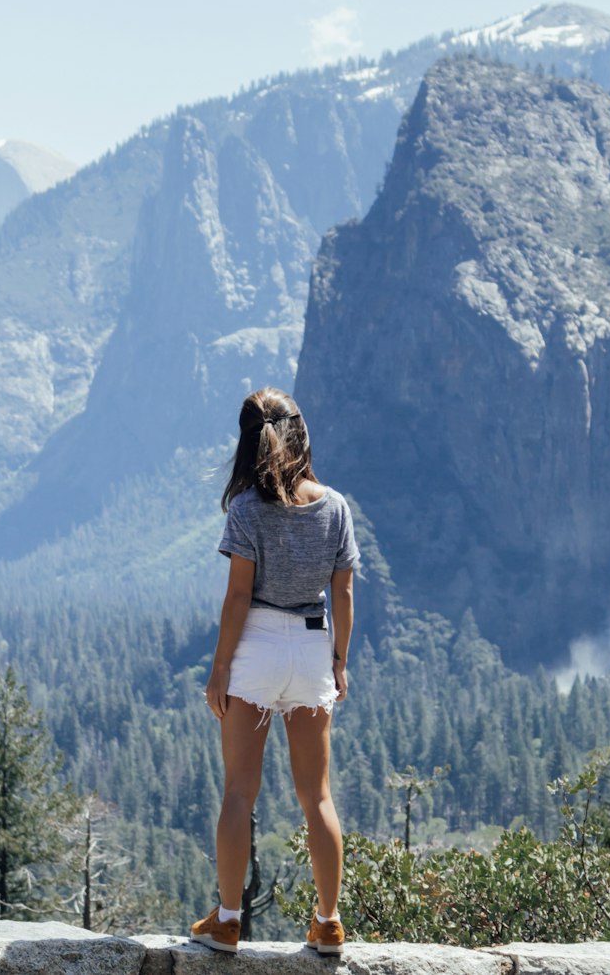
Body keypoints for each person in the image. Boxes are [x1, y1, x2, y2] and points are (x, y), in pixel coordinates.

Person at [190, 386, 357, 955]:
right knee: (318, 798)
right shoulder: (334, 507)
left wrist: (218, 671)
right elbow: (344, 592)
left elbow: (238, 597)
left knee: (240, 793)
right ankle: (329, 922)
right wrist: (338, 663)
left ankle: (228, 920)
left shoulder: (246, 510)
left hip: (256, 647)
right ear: (300, 432)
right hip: (312, 646)